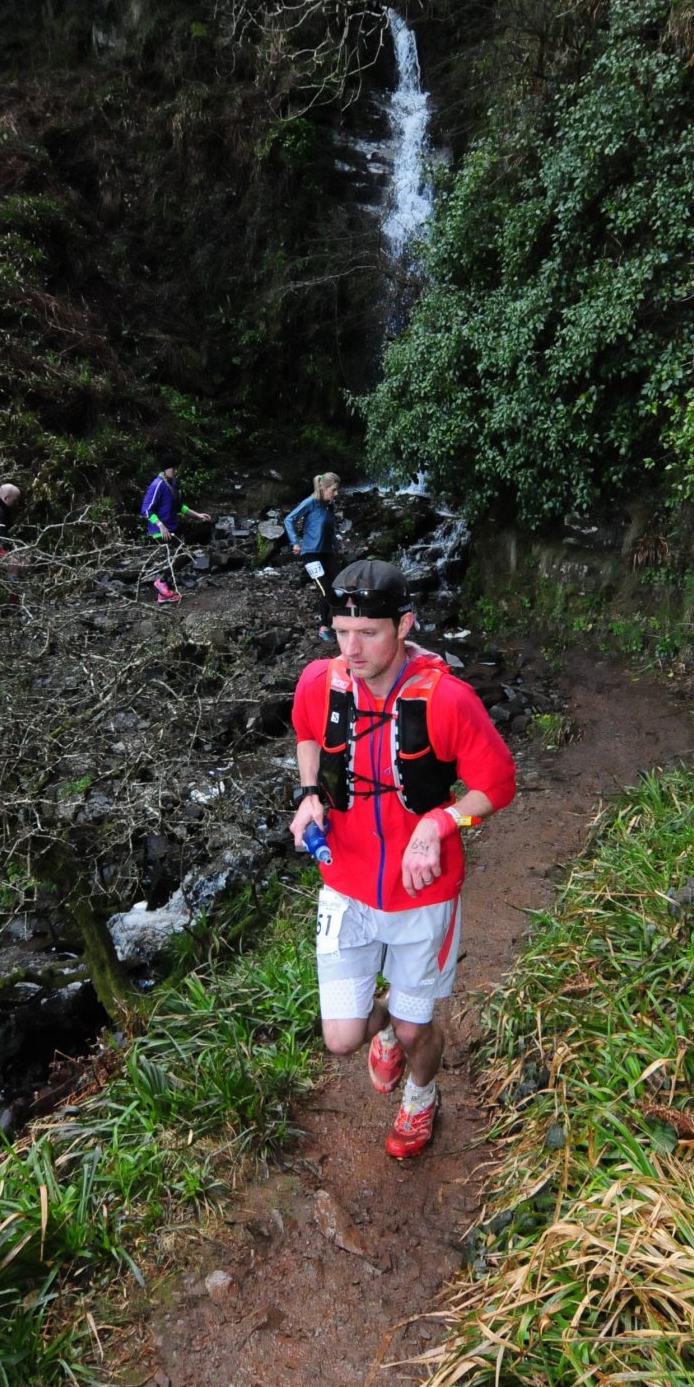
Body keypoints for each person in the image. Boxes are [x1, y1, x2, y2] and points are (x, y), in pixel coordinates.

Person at [289, 559, 516, 1158]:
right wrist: (311, 793)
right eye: (341, 633)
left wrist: (441, 821)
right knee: (341, 1037)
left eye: (368, 633)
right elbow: (306, 732)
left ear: (404, 624)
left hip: (424, 892)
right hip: (345, 879)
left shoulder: (449, 700)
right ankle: (384, 1020)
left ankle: (421, 1096)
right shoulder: (322, 682)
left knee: (419, 1032)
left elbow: (496, 784)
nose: (352, 648)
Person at [140, 458, 211, 603]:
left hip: (172, 528)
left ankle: (163, 593)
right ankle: (161, 584)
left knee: (179, 557)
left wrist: (198, 515)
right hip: (160, 530)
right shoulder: (158, 484)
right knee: (181, 555)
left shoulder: (172, 483)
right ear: (165, 469)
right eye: (173, 469)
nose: (175, 471)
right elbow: (146, 510)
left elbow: (179, 507)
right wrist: (160, 524)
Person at [284, 472, 342, 641]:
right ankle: (325, 627)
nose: (336, 494)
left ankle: (338, 623)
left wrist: (337, 548)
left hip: (327, 553)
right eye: (334, 490)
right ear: (323, 488)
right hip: (311, 554)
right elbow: (289, 519)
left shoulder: (329, 505)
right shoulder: (310, 502)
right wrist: (295, 542)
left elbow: (330, 530)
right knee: (326, 590)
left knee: (340, 585)